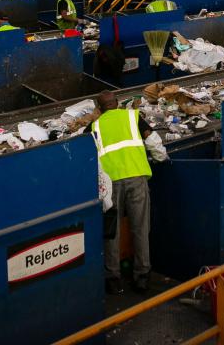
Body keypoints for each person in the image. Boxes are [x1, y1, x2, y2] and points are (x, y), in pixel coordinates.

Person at [85, 91, 167, 295]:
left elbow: (85, 154)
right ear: (118, 103)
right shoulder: (132, 116)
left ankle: (113, 278)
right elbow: (152, 139)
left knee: (112, 232)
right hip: (136, 177)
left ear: (99, 108)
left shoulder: (94, 127)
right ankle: (142, 276)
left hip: (110, 185)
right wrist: (161, 157)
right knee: (140, 227)